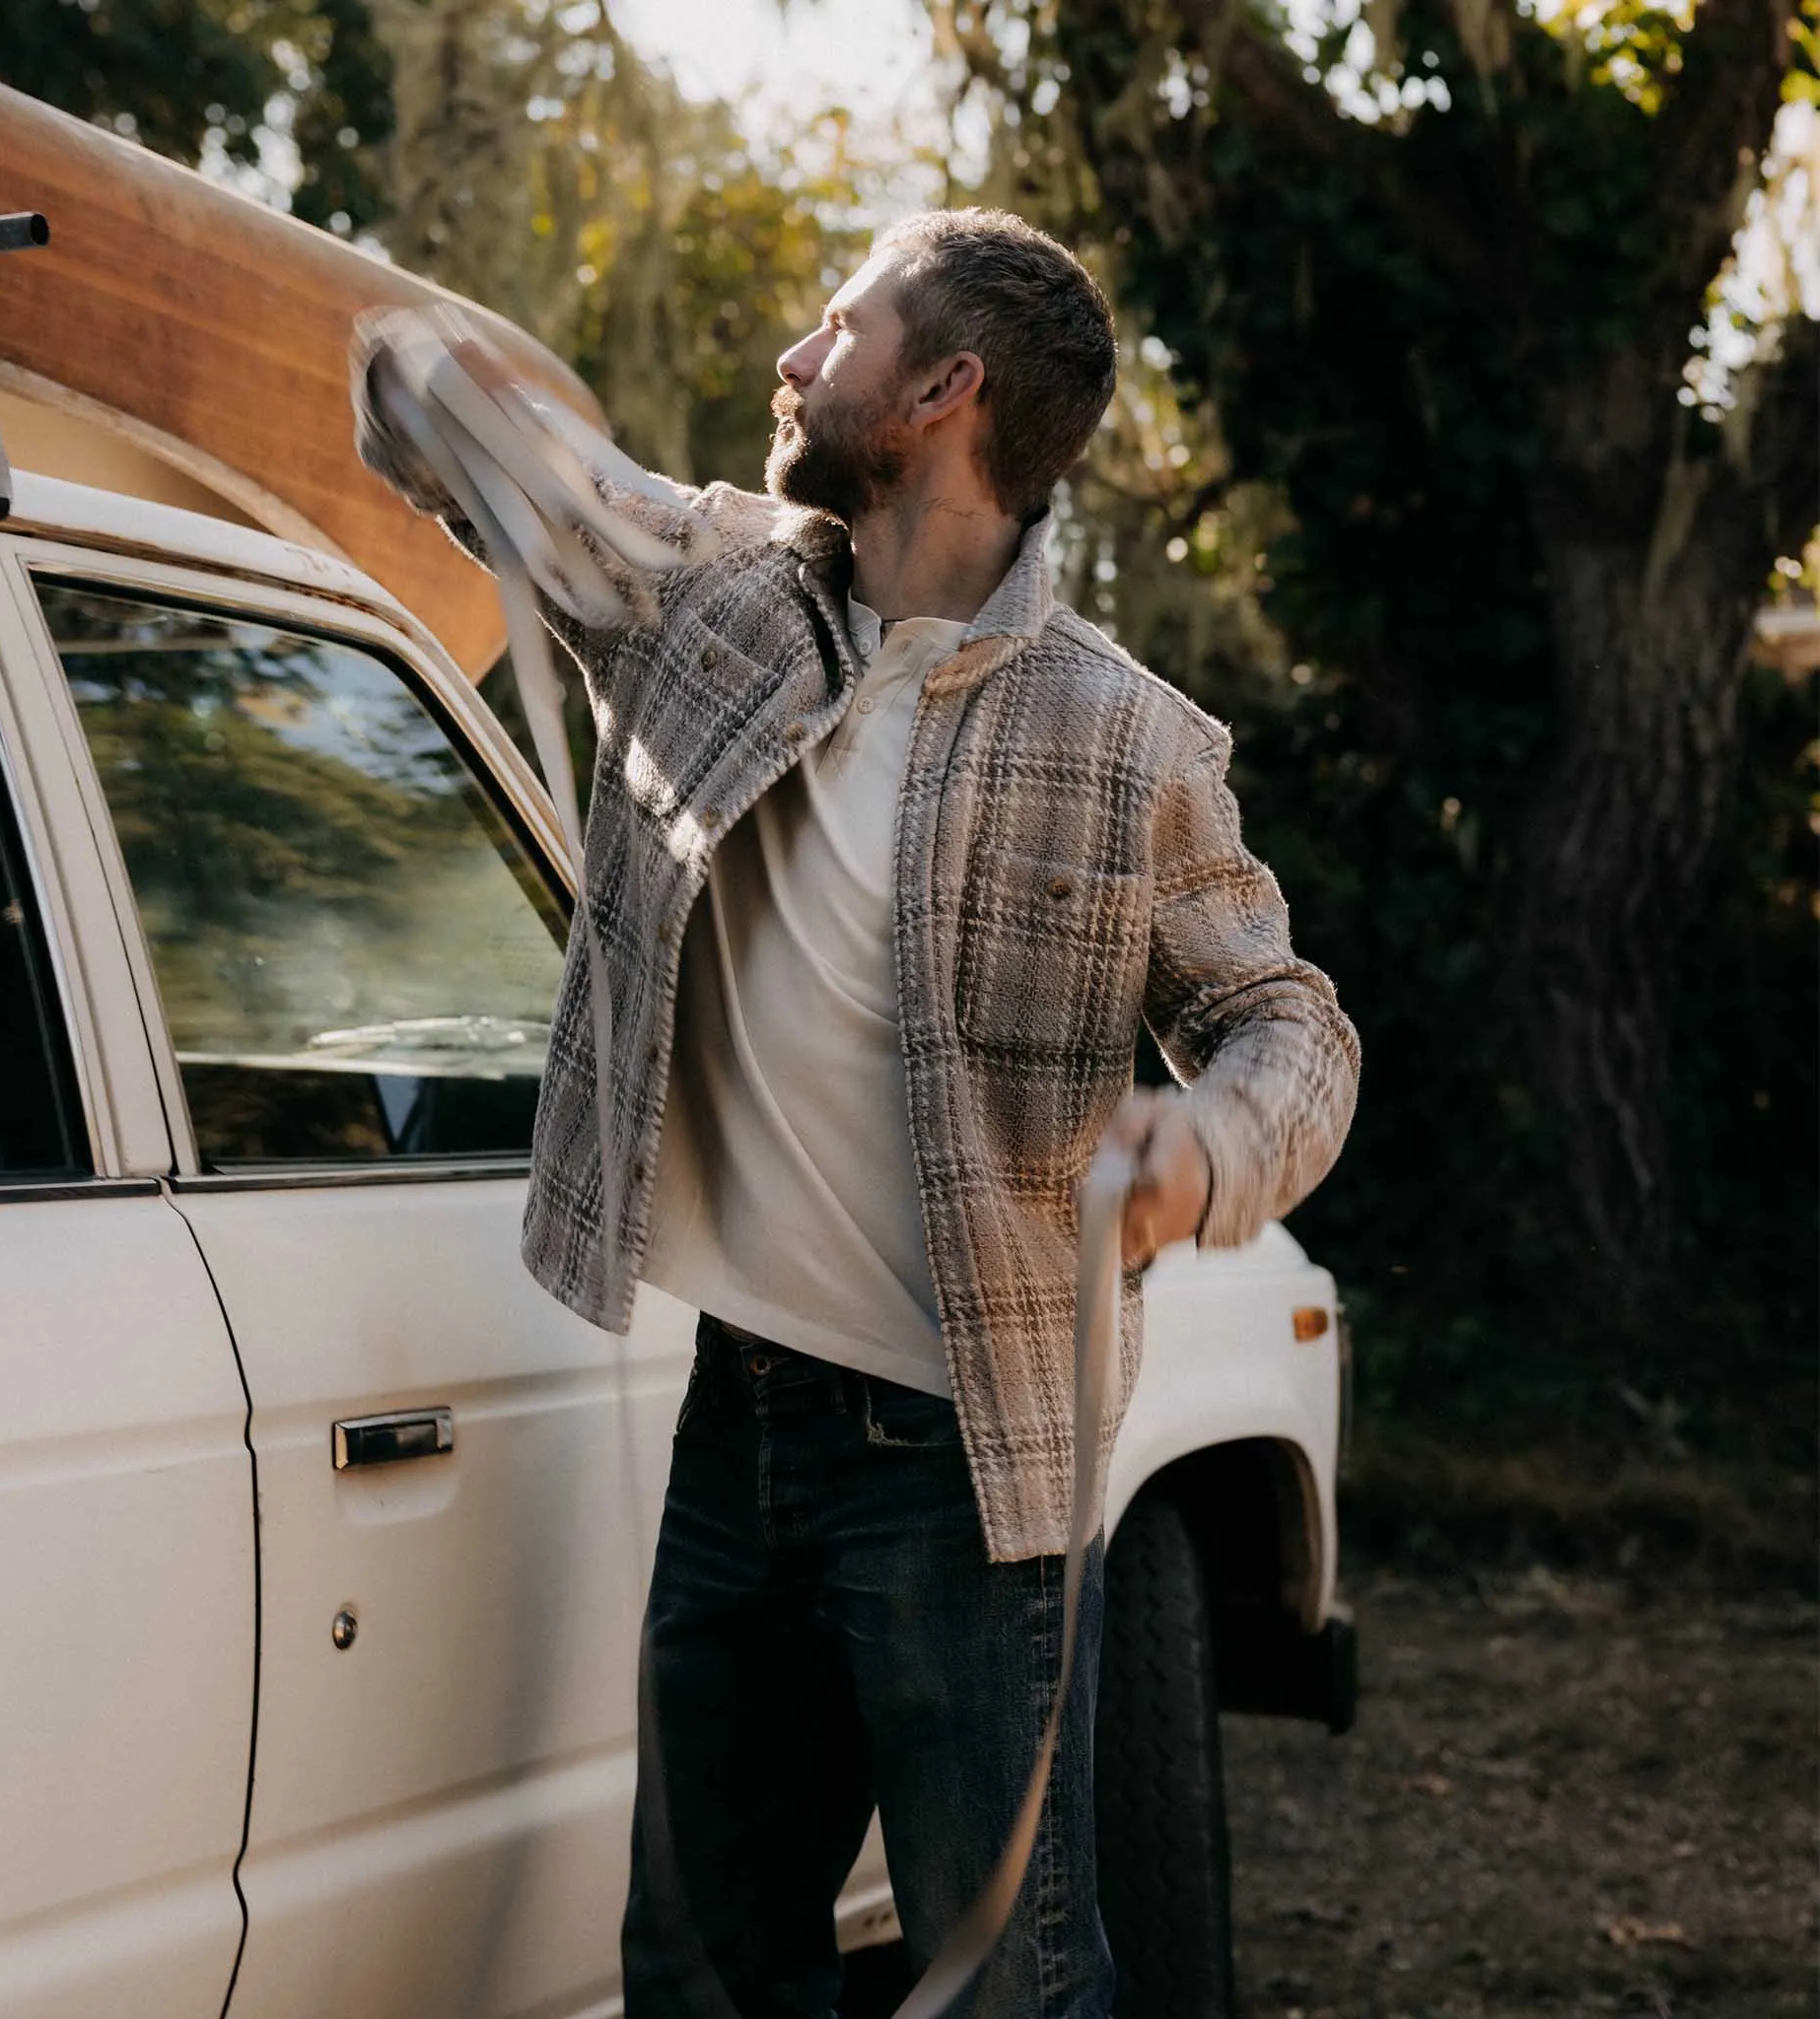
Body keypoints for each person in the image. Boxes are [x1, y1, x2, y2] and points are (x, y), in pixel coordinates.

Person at [356, 207, 1359, 2018]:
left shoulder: (1128, 742)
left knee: (1010, 1990)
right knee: (703, 1972)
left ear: (944, 392)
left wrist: (1205, 1147)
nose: (796, 362)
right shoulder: (707, 590)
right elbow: (480, 441)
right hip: (737, 1430)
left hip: (976, 1481)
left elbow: (1291, 1026)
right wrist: (408, 359)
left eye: (840, 328)